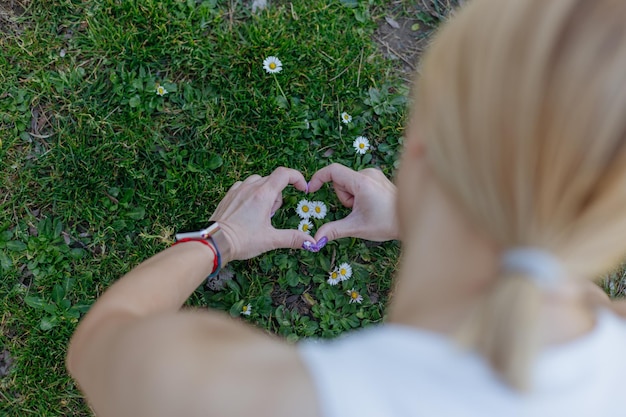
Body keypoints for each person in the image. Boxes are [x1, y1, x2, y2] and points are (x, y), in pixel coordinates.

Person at [67, 0, 626, 415]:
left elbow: (99, 345)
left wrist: (220, 240)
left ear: (422, 147)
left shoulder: (272, 399)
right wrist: (419, 217)